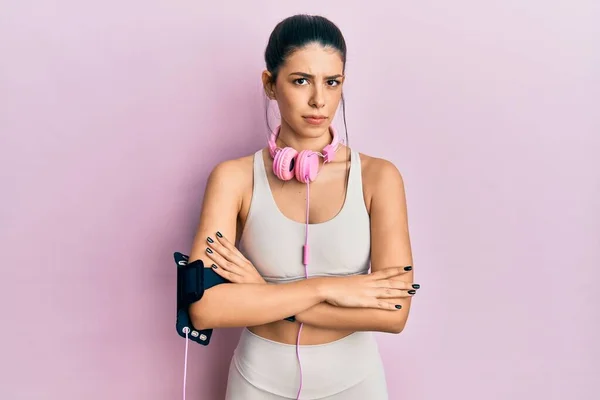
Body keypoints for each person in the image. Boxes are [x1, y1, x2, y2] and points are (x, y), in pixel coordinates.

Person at [186, 14, 418, 400]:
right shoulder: (233, 179)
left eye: (332, 82)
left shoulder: (380, 178)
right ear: (270, 85)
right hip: (257, 382)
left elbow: (394, 312)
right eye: (300, 80)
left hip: (355, 383)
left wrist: (261, 294)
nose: (319, 100)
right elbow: (205, 308)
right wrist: (329, 288)